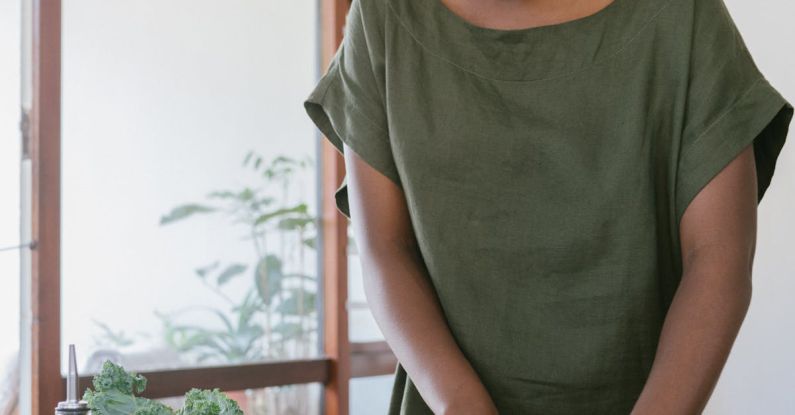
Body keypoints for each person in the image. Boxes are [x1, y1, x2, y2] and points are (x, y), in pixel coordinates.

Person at [303, 0, 793, 413]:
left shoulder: (683, 17)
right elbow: (385, 248)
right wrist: (462, 406)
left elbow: (717, 260)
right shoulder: (386, 15)